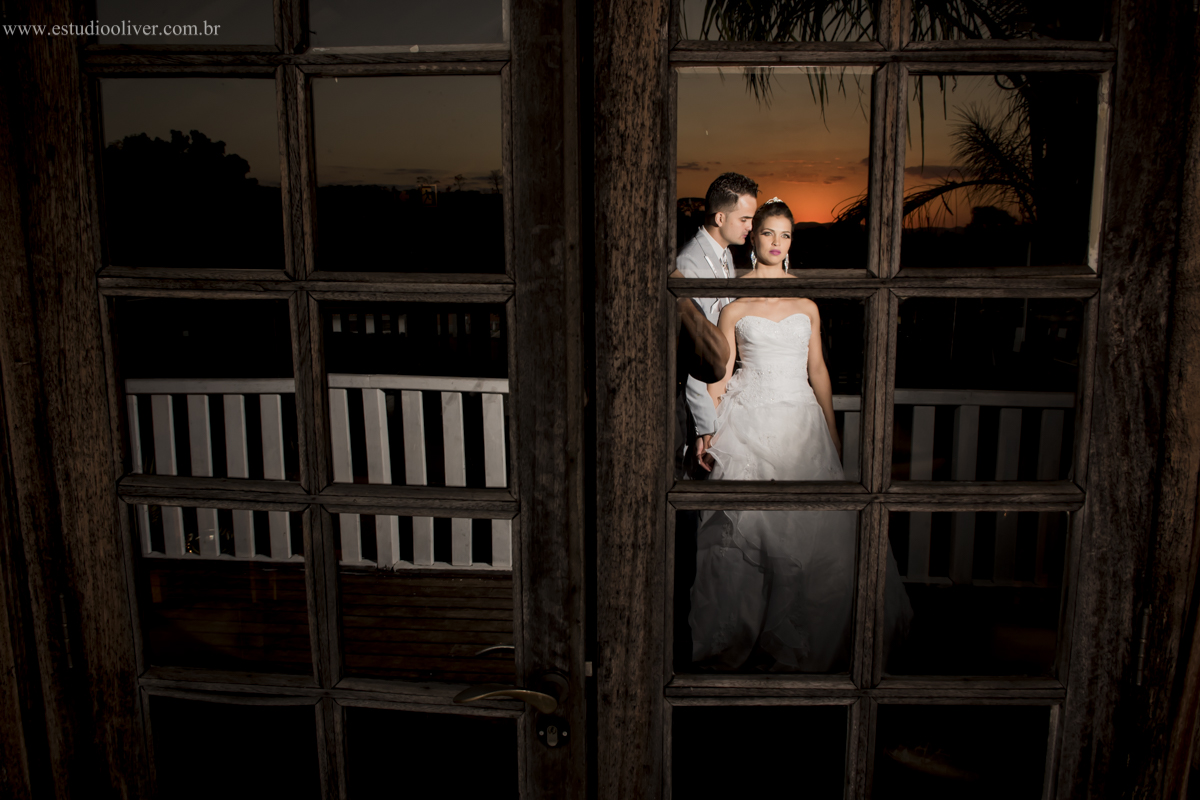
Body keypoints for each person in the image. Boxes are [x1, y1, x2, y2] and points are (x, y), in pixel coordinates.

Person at [689, 198, 912, 672]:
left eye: (785, 235)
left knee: (808, 534)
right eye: (768, 232)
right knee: (749, 531)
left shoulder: (806, 303)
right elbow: (720, 373)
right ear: (753, 238)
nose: (776, 242)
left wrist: (830, 429)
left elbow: (818, 369)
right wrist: (707, 429)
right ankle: (746, 637)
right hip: (747, 420)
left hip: (800, 423)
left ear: (792, 242)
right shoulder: (732, 301)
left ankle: (797, 636)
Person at [673, 173, 759, 477]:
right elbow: (696, 350)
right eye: (745, 219)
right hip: (692, 408)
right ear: (720, 217)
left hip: (719, 395)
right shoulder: (690, 264)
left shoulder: (724, 255)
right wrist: (706, 426)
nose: (751, 227)